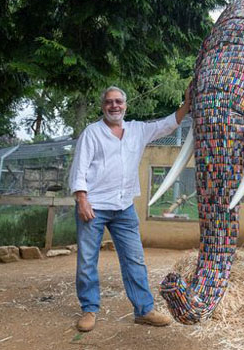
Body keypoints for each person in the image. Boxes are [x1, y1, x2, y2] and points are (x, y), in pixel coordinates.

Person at [68, 85, 190, 332]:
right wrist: (82, 199)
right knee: (87, 261)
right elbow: (79, 168)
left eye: (119, 102)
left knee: (135, 259)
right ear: (103, 106)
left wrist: (188, 102)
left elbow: (168, 124)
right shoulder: (92, 133)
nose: (114, 106)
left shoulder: (137, 130)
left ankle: (144, 310)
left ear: (126, 105)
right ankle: (89, 309)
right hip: (95, 206)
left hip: (124, 207)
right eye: (109, 102)